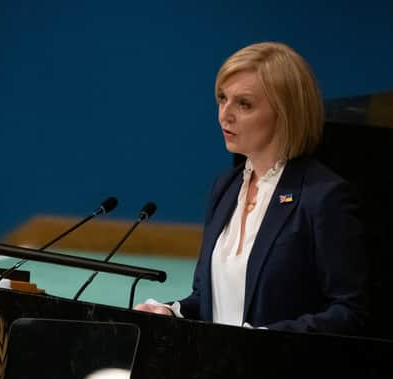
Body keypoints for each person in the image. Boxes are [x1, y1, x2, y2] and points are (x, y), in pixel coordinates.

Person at [134, 41, 368, 334]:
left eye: (244, 104)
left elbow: (349, 311)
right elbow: (208, 299)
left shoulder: (323, 196)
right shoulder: (225, 187)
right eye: (222, 98)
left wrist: (268, 342)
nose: (225, 114)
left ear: (286, 113)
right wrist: (170, 311)